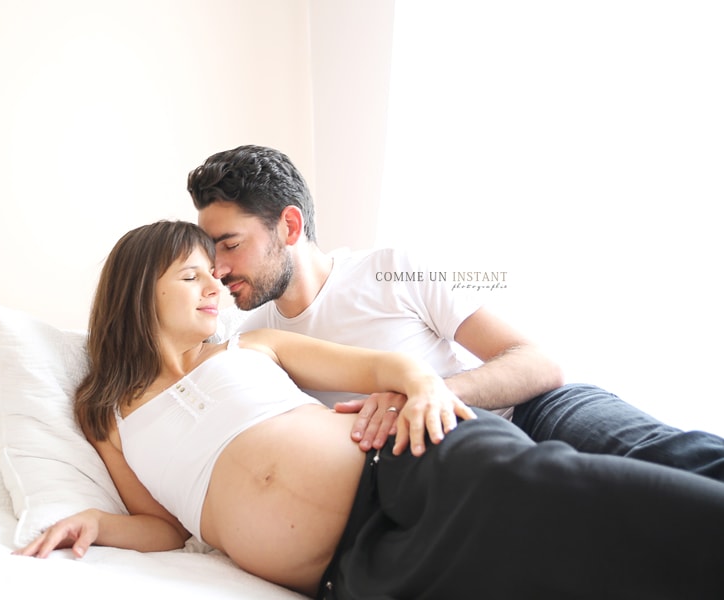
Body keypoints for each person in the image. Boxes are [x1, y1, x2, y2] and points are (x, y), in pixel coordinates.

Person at [15, 220, 724, 599]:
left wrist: (420, 390)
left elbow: (391, 368)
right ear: (140, 288)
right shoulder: (103, 412)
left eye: (217, 270)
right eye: (192, 274)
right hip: (352, 570)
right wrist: (98, 523)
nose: (216, 286)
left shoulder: (256, 346)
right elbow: (165, 528)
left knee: (611, 510)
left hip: (413, 468)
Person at [187, 144, 724, 481]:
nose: (219, 268)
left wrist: (427, 394)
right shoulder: (255, 339)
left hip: (535, 410)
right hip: (465, 469)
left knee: (673, 460)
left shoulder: (393, 268)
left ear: (289, 227)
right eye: (211, 254)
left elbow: (538, 362)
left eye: (229, 244)